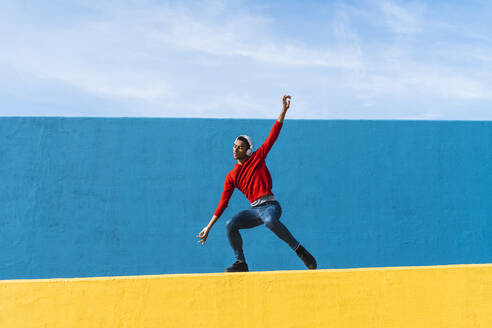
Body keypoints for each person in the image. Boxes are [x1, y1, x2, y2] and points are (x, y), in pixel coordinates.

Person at [197, 95, 317, 272]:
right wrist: (208, 226)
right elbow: (223, 203)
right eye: (234, 146)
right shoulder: (231, 176)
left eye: (240, 147)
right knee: (230, 224)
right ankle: (241, 263)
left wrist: (283, 111)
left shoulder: (258, 158)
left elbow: (273, 135)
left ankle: (299, 250)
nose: (236, 149)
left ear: (248, 150)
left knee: (269, 220)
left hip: (270, 206)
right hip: (254, 210)